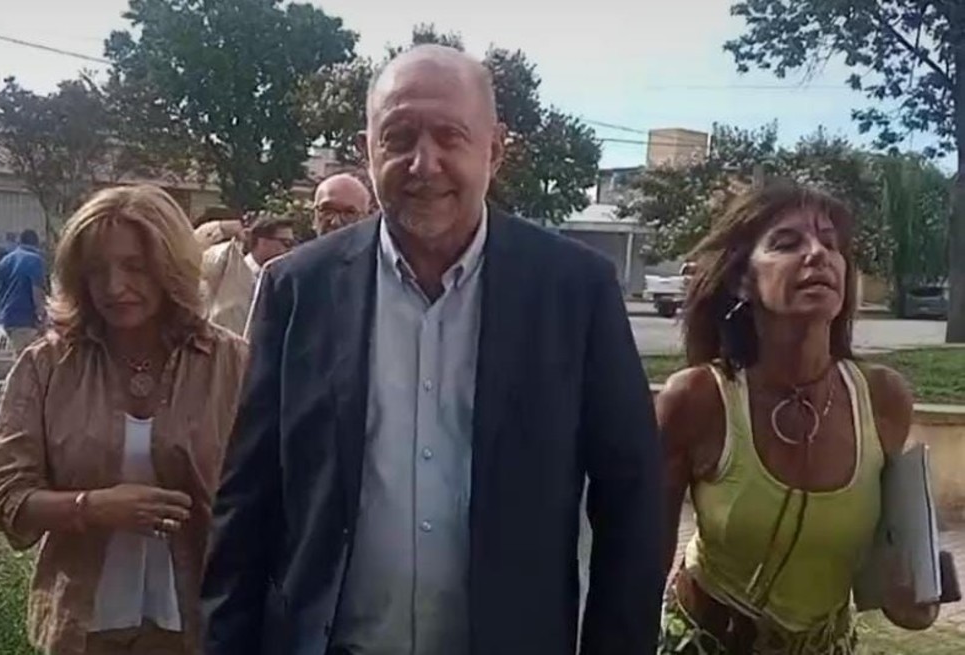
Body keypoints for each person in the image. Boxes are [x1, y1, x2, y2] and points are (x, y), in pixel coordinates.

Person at [201, 44, 665, 655]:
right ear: (367, 149)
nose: (425, 163)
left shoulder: (574, 291)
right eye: (399, 137)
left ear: (494, 149)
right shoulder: (298, 288)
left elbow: (630, 499)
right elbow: (248, 497)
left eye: (450, 136)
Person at [657, 183, 940, 654]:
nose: (817, 254)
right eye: (787, 243)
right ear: (742, 280)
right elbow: (644, 559)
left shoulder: (883, 398)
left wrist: (915, 589)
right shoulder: (697, 399)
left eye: (830, 243)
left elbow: (892, 565)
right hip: (703, 642)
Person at [0, 184, 248, 655]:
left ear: (170, 267)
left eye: (135, 267)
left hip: (201, 623)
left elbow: (272, 499)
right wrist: (91, 507)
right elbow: (7, 500)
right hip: (85, 627)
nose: (113, 287)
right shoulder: (47, 366)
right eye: (96, 270)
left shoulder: (234, 363)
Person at [199, 214, 295, 335]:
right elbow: (189, 251)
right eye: (286, 243)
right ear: (262, 241)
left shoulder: (284, 282)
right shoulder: (225, 265)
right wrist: (221, 228)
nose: (290, 250)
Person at [0, 228, 47, 416]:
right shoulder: (35, 260)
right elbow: (37, 291)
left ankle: (20, 404)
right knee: (25, 363)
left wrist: (2, 312)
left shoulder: (5, 261)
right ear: (35, 243)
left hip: (8, 319)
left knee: (25, 361)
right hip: (25, 319)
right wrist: (42, 317)